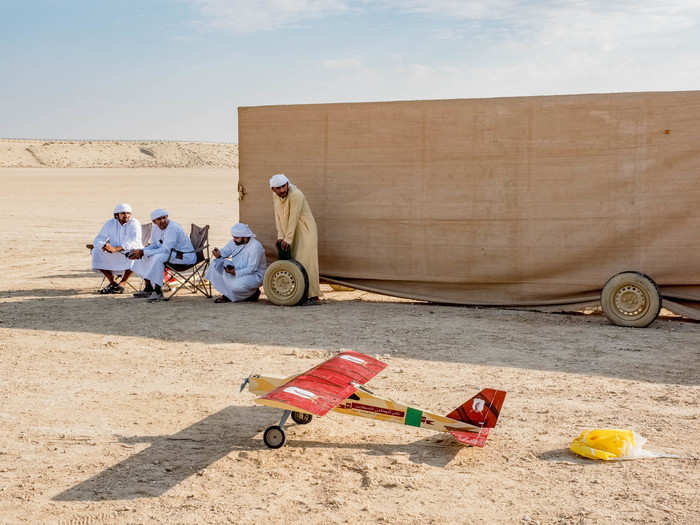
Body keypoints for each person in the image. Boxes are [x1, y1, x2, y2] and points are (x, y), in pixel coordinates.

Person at [269, 173, 321, 304]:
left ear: (287, 184)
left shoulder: (296, 195)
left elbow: (294, 217)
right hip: (290, 232)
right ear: (273, 189)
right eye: (278, 188)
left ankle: (313, 296)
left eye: (283, 186)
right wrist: (281, 236)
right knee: (294, 262)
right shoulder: (276, 196)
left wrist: (288, 238)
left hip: (304, 229)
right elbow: (278, 216)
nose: (282, 190)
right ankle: (298, 295)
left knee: (306, 262)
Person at [128, 208, 195, 302]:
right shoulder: (155, 228)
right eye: (159, 219)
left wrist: (143, 252)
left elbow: (166, 249)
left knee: (158, 258)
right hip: (171, 254)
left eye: (164, 218)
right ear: (154, 222)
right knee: (143, 257)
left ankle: (158, 290)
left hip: (184, 256)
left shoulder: (173, 228)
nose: (163, 221)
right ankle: (149, 287)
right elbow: (155, 244)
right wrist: (141, 251)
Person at [206, 223, 267, 303]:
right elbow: (225, 251)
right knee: (214, 265)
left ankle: (252, 293)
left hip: (253, 275)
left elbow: (252, 269)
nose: (234, 239)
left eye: (236, 238)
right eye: (234, 237)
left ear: (245, 237)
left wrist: (235, 272)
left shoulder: (255, 247)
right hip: (236, 269)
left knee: (235, 286)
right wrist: (219, 254)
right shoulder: (235, 242)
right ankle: (228, 295)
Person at [91, 203, 142, 294]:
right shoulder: (109, 223)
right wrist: (104, 245)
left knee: (134, 254)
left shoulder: (134, 223)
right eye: (123, 213)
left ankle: (123, 282)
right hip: (112, 251)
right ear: (116, 215)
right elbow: (98, 239)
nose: (126, 215)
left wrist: (116, 249)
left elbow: (135, 242)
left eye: (128, 213)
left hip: (129, 249)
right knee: (96, 252)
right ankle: (113, 282)